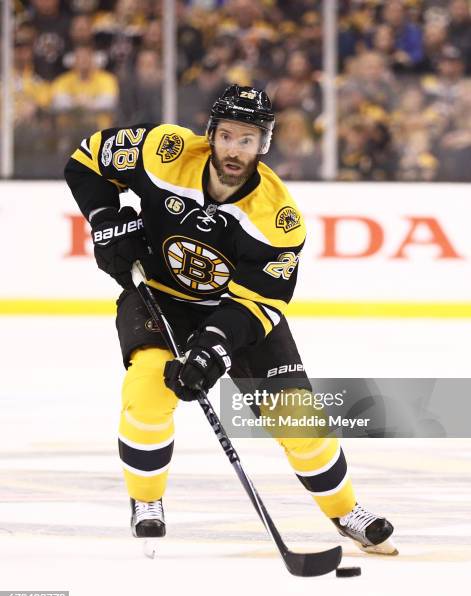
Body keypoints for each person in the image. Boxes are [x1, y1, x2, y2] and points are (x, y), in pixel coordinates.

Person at [64, 84, 397, 555]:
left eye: (247, 139)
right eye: (227, 136)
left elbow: (257, 304)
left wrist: (211, 349)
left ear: (264, 144)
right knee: (147, 392)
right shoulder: (165, 152)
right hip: (161, 295)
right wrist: (104, 219)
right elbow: (86, 159)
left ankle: (345, 511)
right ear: (211, 134)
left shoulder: (277, 219)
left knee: (299, 421)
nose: (235, 150)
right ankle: (146, 502)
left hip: (237, 313)